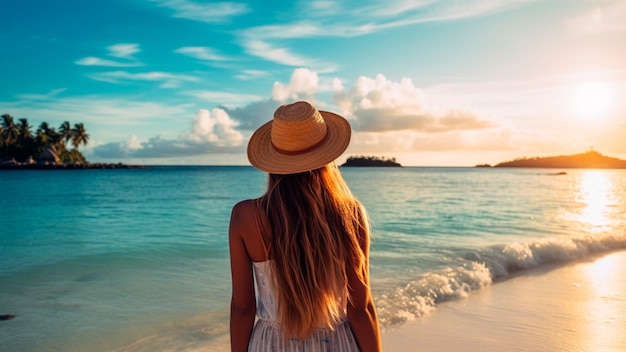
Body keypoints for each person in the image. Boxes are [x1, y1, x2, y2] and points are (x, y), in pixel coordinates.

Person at [229, 101, 381, 352]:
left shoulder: (245, 216)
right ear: (327, 159)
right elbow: (360, 308)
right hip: (336, 342)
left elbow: (243, 309)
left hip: (270, 345)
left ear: (273, 160)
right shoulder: (350, 215)